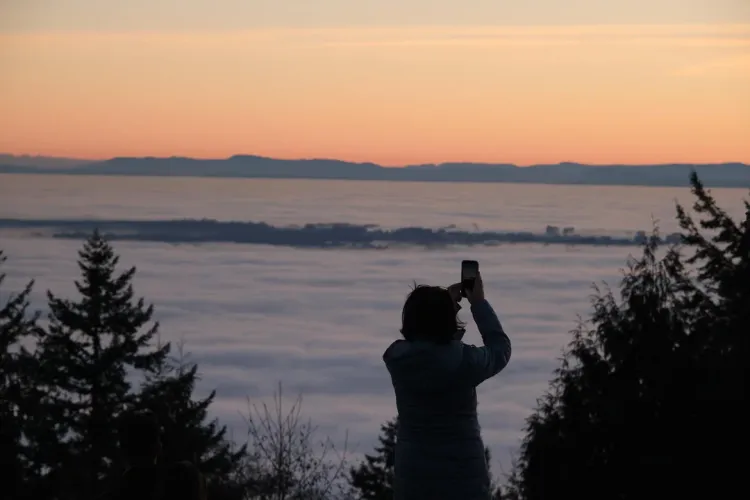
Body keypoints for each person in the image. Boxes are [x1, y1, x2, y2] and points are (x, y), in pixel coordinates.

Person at [383, 271, 512, 500]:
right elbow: (499, 350)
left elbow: (433, 352)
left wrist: (445, 309)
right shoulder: (465, 362)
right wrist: (478, 303)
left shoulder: (398, 359)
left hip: (412, 480)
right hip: (463, 483)